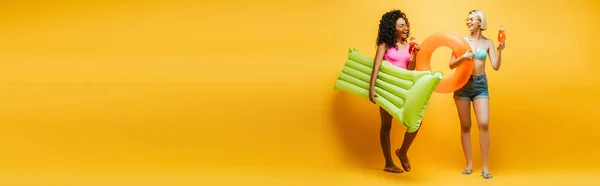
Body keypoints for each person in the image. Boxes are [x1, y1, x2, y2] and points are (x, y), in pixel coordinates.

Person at [448, 9, 505, 179]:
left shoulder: (488, 43)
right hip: (462, 84)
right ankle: (469, 165)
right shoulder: (461, 41)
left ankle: (485, 168)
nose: (468, 22)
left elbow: (495, 66)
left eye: (472, 19)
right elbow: (451, 65)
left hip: (480, 85)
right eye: (467, 19)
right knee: (465, 126)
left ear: (480, 22)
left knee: (484, 123)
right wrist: (463, 57)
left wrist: (500, 50)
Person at [368, 9, 421, 174]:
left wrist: (415, 56)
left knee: (416, 122)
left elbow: (410, 71)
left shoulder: (408, 46)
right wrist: (371, 88)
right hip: (386, 89)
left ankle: (402, 151)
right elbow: (376, 66)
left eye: (406, 24)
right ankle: (388, 162)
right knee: (386, 126)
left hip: (402, 89)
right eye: (401, 25)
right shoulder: (384, 44)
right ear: (393, 27)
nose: (405, 27)